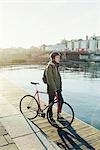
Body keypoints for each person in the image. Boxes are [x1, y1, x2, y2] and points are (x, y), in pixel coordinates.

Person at [45, 51, 63, 121]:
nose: (59, 59)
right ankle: (50, 116)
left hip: (57, 88)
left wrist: (59, 88)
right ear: (53, 58)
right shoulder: (49, 66)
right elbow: (50, 79)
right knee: (51, 102)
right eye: (57, 57)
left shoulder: (56, 66)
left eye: (59, 57)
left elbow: (58, 78)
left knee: (61, 101)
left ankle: (58, 115)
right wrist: (54, 89)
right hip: (52, 88)